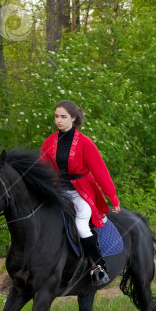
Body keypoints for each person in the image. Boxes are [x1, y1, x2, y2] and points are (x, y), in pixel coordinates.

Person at [40, 100, 121, 286]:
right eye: (56, 117)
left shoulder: (85, 143)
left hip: (81, 192)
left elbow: (100, 172)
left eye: (63, 117)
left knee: (81, 224)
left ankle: (98, 267)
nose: (58, 121)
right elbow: (42, 170)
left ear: (73, 118)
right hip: (57, 190)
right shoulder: (49, 142)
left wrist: (113, 198)